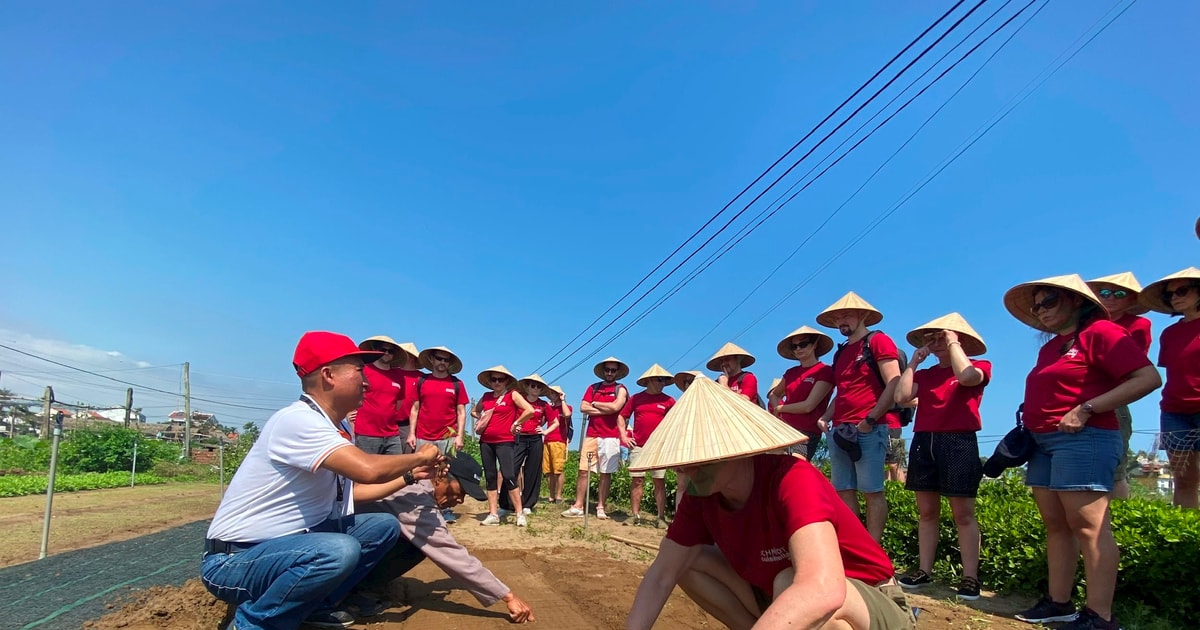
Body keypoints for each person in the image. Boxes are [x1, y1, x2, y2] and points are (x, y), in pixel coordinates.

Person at [625, 376, 915, 630]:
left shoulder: (792, 478)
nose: (684, 469)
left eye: (698, 458)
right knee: (688, 562)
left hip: (867, 603)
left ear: (735, 450)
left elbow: (822, 590)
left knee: (792, 582)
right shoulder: (702, 496)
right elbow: (661, 575)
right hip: (781, 596)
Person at [201, 331, 443, 630]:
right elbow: (367, 469)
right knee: (338, 550)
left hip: (288, 545)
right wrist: (420, 457)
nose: (366, 381)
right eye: (359, 371)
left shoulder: (338, 426)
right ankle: (252, 623)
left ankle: (317, 606)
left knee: (382, 526)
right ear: (328, 375)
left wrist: (409, 476)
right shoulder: (298, 420)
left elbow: (354, 493)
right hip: (236, 560)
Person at [1003, 274, 1160, 629]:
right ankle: (1058, 602)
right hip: (1041, 443)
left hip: (1084, 438)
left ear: (1076, 301)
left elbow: (1148, 377)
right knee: (1056, 525)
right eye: (1036, 305)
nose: (1040, 310)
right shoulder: (1050, 347)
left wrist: (1087, 408)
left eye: (1049, 302)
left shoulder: (1101, 333)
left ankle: (1100, 616)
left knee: (1090, 527)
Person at [353, 452, 536, 624]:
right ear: (440, 477)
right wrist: (508, 596)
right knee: (417, 545)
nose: (461, 501)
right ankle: (352, 593)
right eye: (461, 491)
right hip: (340, 540)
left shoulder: (419, 486)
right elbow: (454, 557)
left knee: (413, 545)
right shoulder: (417, 500)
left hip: (352, 532)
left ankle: (363, 583)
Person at [894, 313, 990, 600]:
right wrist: (913, 362)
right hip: (925, 441)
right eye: (932, 338)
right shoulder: (925, 375)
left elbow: (967, 377)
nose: (936, 343)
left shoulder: (979, 366)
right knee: (926, 511)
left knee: (963, 513)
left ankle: (970, 576)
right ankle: (925, 569)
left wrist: (953, 344)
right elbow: (900, 396)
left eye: (942, 337)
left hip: (959, 440)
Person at [816, 291, 901, 543]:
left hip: (868, 428)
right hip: (840, 429)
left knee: (872, 491)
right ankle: (857, 545)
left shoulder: (878, 341)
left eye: (846, 315)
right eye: (837, 317)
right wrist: (825, 416)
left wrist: (870, 420)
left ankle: (873, 547)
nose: (841, 321)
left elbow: (893, 382)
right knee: (843, 490)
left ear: (862, 315)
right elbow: (844, 390)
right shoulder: (841, 352)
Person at [1088, 272, 1153, 499]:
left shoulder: (1138, 324)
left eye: (1119, 293)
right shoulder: (1088, 324)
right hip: (1081, 396)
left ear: (1131, 299)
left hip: (1113, 397)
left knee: (1116, 465)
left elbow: (1131, 366)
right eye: (1104, 293)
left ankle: (1121, 517)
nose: (1111, 298)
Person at [1140, 267, 1200, 509]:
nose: (1175, 297)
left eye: (1182, 290)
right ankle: (1186, 539)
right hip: (1175, 411)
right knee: (1183, 480)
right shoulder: (1169, 333)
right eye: (1169, 295)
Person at [562, 357, 630, 520]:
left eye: (613, 370)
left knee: (605, 473)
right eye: (607, 369)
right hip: (592, 434)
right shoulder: (593, 387)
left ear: (617, 372)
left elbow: (616, 407)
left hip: (611, 436)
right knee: (583, 470)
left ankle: (601, 506)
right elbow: (583, 407)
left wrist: (595, 404)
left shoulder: (621, 389)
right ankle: (578, 505)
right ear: (603, 371)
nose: (609, 373)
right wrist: (606, 409)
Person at [472, 365, 533, 526]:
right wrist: (482, 418)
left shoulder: (512, 395)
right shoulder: (486, 397)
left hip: (505, 441)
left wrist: (517, 423)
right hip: (486, 441)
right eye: (494, 379)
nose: (497, 382)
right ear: (489, 381)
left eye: (500, 379)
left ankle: (519, 513)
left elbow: (529, 410)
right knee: (490, 476)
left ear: (507, 381)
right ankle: (493, 513)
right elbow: (474, 411)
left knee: (509, 475)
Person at [621, 364, 677, 528]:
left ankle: (660, 518)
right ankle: (635, 515)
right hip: (638, 445)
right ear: (650, 381)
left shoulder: (668, 401)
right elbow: (622, 416)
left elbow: (676, 420)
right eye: (660, 380)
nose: (663, 383)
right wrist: (624, 435)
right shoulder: (636, 399)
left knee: (659, 481)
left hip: (658, 447)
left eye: (665, 380)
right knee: (637, 480)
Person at [771, 325, 835, 461]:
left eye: (803, 344)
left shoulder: (825, 371)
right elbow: (774, 394)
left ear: (814, 345)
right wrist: (778, 414)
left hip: (806, 432)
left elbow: (808, 406)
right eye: (795, 347)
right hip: (784, 430)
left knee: (796, 465)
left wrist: (781, 408)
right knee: (775, 466)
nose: (798, 349)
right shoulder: (791, 373)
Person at [500, 374, 558, 516]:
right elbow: (509, 415)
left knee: (532, 471)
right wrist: (515, 426)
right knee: (511, 469)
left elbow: (555, 422)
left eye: (539, 386)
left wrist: (544, 432)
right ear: (527, 386)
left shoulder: (544, 405)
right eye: (533, 385)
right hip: (518, 438)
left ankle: (528, 504)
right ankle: (506, 504)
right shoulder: (519, 400)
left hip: (535, 439)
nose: (535, 388)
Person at [351, 335, 408, 455]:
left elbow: (398, 404)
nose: (386, 353)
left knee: (396, 471)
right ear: (375, 350)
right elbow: (351, 394)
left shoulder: (398, 376)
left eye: (390, 351)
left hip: (392, 433)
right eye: (383, 349)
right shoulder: (365, 370)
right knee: (366, 472)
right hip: (366, 433)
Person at [408, 346, 468, 455]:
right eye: (439, 358)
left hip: (448, 438)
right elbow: (414, 410)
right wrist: (411, 433)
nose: (442, 362)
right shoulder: (421, 381)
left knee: (446, 470)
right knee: (421, 471)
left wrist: (460, 436)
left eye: (446, 360)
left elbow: (461, 413)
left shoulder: (457, 384)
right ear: (432, 359)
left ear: (449, 363)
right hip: (423, 437)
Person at [392, 342, 425, 454]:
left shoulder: (422, 378)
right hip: (389, 422)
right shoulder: (392, 373)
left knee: (406, 459)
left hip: (409, 425)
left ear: (410, 357)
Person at [542, 385, 572, 504]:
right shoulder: (549, 408)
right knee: (548, 470)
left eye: (554, 393)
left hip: (559, 440)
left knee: (558, 469)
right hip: (547, 440)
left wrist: (563, 400)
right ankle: (551, 494)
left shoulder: (566, 407)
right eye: (550, 394)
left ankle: (559, 495)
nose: (551, 396)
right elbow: (542, 421)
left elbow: (567, 415)